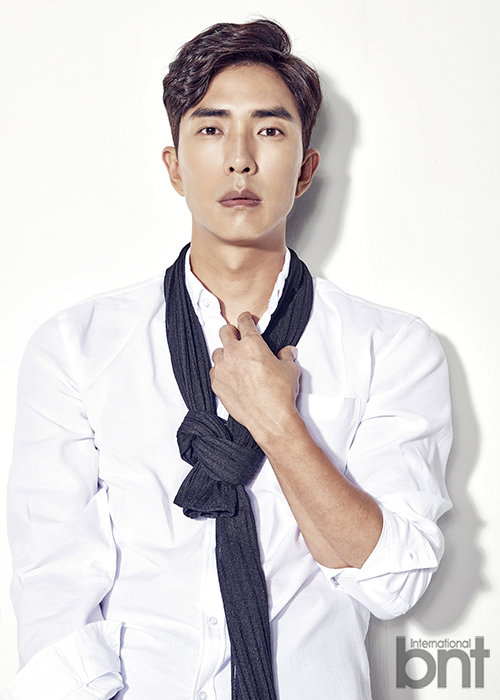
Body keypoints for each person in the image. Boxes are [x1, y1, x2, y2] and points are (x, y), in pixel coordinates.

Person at [2, 18, 452, 700]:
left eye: (269, 130)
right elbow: (52, 586)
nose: (240, 159)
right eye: (211, 129)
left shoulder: (390, 347)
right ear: (174, 165)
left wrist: (279, 425)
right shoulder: (76, 346)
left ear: (305, 170)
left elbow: (394, 581)